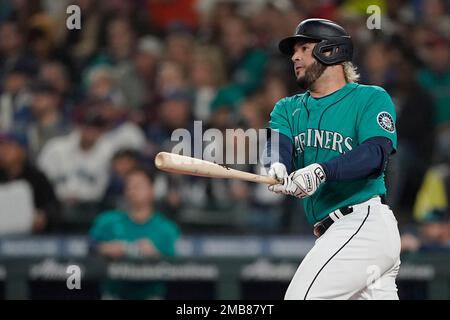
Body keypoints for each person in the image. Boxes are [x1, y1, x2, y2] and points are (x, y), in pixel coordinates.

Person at [265, 19, 401, 300]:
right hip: (334, 233)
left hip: (362, 224)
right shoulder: (287, 108)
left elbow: (376, 154)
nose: (294, 56)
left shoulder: (370, 98)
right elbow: (277, 148)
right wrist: (277, 168)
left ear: (331, 52)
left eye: (304, 47)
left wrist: (321, 171)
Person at [90, 166, 180, 299]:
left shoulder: (166, 228)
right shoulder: (107, 220)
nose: (132, 191)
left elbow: (179, 267)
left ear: (151, 190)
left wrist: (156, 255)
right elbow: (89, 246)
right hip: (114, 294)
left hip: (150, 295)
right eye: (129, 186)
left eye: (138, 186)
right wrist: (104, 249)